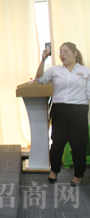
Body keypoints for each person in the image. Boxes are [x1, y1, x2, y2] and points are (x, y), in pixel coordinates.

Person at [36, 42, 90, 186]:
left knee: (78, 144)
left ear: (75, 53)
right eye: (60, 52)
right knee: (57, 143)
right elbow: (40, 79)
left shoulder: (86, 71)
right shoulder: (55, 70)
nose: (62, 55)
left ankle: (78, 174)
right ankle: (54, 171)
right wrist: (43, 60)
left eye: (66, 52)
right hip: (60, 110)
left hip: (79, 111)